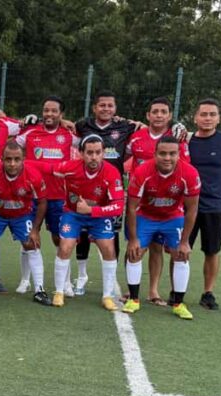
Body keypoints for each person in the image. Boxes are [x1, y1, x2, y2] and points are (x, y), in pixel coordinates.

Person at [123, 135, 201, 320]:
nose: (167, 158)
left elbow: (192, 209)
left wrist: (185, 242)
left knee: (181, 255)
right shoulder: (142, 171)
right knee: (135, 253)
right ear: (155, 154)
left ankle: (179, 304)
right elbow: (131, 207)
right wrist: (133, 239)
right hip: (146, 216)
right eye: (163, 153)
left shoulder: (190, 173)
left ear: (179, 154)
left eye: (172, 154)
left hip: (172, 217)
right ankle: (133, 299)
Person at [124, 97, 192, 306]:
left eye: (163, 112)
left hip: (168, 204)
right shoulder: (136, 137)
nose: (159, 115)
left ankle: (153, 290)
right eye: (155, 111)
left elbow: (183, 167)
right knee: (134, 248)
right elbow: (122, 157)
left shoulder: (177, 138)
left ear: (170, 116)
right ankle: (131, 291)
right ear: (148, 115)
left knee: (157, 248)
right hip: (141, 203)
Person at [71, 91, 138, 297]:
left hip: (112, 189)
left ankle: (111, 280)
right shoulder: (83, 125)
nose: (106, 109)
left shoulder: (125, 126)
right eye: (102, 105)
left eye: (110, 105)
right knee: (83, 233)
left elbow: (147, 127)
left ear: (115, 109)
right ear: (94, 108)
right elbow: (65, 125)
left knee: (111, 235)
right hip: (87, 187)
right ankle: (81, 276)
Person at [49, 135, 125, 310]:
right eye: (89, 153)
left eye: (98, 152)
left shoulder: (112, 172)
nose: (94, 157)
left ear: (103, 153)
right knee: (65, 246)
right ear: (81, 153)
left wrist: (91, 210)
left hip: (98, 215)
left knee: (108, 248)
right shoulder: (69, 167)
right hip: (73, 214)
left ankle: (107, 296)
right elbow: (46, 168)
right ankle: (59, 292)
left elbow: (118, 207)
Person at [15, 95, 78, 295]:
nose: (49, 114)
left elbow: (89, 142)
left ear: (61, 114)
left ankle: (66, 283)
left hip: (58, 196)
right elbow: (10, 145)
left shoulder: (69, 135)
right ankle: (25, 280)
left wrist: (71, 124)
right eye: (46, 110)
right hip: (31, 195)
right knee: (28, 238)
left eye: (54, 111)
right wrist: (21, 123)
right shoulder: (30, 133)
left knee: (60, 239)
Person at [185, 99, 221, 310]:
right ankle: (177, 291)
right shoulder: (187, 142)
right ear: (195, 118)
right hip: (187, 207)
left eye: (212, 114)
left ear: (218, 118)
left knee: (212, 251)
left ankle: (208, 293)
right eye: (203, 114)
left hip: (215, 207)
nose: (207, 118)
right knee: (180, 250)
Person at [0, 141, 48, 303]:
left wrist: (35, 230)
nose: (12, 163)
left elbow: (42, 203)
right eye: (8, 159)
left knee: (31, 244)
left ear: (23, 159)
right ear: (1, 159)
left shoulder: (33, 176)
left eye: (17, 159)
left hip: (22, 215)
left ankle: (39, 289)